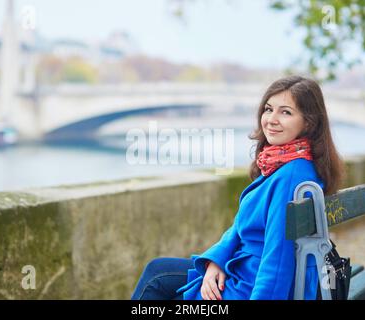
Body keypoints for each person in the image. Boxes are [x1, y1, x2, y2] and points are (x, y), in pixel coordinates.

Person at [131, 75, 345, 300]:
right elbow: (241, 226)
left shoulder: (290, 176)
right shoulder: (288, 163)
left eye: (286, 112)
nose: (271, 119)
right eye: (268, 109)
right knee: (157, 271)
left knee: (157, 284)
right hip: (241, 269)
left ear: (308, 122)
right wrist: (217, 261)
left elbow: (278, 261)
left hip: (247, 285)